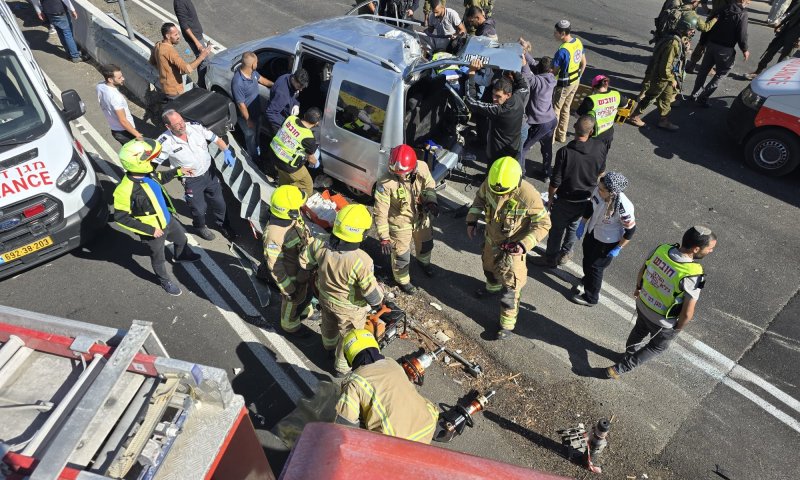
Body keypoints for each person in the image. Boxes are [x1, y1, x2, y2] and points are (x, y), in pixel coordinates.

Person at [607, 226, 717, 379]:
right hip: (661, 319)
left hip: (643, 303)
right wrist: (677, 329)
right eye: (710, 248)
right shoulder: (693, 273)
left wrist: (638, 288)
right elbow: (687, 312)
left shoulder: (662, 249)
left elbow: (643, 270)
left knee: (639, 330)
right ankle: (621, 367)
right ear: (696, 248)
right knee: (657, 346)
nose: (711, 251)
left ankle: (628, 354)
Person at [466, 157, 551, 340]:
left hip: (512, 251)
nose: (498, 195)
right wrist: (471, 220)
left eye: (503, 192)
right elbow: (479, 199)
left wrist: (524, 244)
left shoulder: (528, 195)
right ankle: (491, 289)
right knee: (488, 270)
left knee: (510, 289)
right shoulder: (492, 182)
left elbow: (543, 224)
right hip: (491, 243)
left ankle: (506, 325)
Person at [300, 205, 385, 376]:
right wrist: (380, 294)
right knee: (349, 337)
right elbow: (373, 296)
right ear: (361, 233)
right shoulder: (362, 261)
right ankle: (341, 368)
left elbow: (305, 262)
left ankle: (328, 347)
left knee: (328, 324)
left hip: (325, 298)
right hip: (350, 310)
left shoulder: (320, 243)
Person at [113, 139, 201, 296]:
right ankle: (164, 280)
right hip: (154, 231)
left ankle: (181, 256)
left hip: (168, 220)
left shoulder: (149, 174)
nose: (151, 160)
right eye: (148, 159)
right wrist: (149, 230)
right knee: (158, 258)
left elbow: (162, 177)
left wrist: (178, 171)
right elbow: (121, 217)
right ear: (138, 163)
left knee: (181, 240)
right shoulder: (124, 190)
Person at [335, 329, 439, 444]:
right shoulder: (392, 364)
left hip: (397, 442)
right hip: (428, 425)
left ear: (349, 357)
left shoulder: (354, 382)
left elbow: (345, 424)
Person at [531, 115, 606, 268]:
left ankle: (550, 258)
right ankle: (566, 252)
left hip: (565, 199)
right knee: (574, 225)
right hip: (586, 198)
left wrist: (551, 197)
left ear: (574, 128)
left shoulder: (565, 152)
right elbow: (601, 172)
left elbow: (556, 181)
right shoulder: (600, 147)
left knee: (557, 229)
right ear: (591, 132)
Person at [156, 110, 237, 241]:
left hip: (209, 173)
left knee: (220, 203)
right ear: (168, 127)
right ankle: (200, 226)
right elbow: (151, 164)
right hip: (191, 180)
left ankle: (223, 225)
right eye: (177, 124)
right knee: (198, 209)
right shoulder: (164, 142)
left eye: (182, 121)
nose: (182, 126)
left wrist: (226, 150)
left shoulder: (195, 127)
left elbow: (215, 138)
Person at [374, 145, 438, 294]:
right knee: (401, 255)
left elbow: (429, 183)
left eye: (403, 173)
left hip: (421, 216)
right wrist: (384, 237)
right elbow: (380, 211)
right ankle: (402, 280)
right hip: (400, 221)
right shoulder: (385, 183)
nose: (400, 176)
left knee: (426, 243)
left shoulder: (421, 167)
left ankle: (424, 262)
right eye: (396, 173)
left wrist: (431, 201)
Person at [571, 172, 636, 306]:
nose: (598, 191)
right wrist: (582, 223)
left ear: (612, 192)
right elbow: (590, 205)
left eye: (602, 190)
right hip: (593, 231)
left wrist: (619, 247)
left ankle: (591, 297)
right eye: (599, 187)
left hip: (607, 240)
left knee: (596, 267)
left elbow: (630, 230)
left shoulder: (624, 207)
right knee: (587, 258)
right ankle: (587, 279)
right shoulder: (599, 190)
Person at [628, 13, 697, 131]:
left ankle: (663, 120)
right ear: (685, 27)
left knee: (666, 97)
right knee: (651, 96)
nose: (692, 32)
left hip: (668, 76)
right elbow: (665, 67)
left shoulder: (676, 37)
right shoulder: (673, 44)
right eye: (691, 30)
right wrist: (672, 79)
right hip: (662, 76)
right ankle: (634, 116)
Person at [263, 185, 316, 335]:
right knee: (292, 302)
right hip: (291, 277)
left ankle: (305, 310)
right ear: (289, 211)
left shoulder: (292, 216)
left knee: (304, 294)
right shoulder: (274, 234)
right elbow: (275, 266)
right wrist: (288, 290)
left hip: (303, 268)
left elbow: (304, 233)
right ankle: (289, 325)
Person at [465, 60, 529, 172]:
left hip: (497, 153)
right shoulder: (518, 97)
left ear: (508, 95)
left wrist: (471, 73)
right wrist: (512, 68)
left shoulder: (499, 110)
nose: (494, 99)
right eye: (493, 95)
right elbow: (523, 86)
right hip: (513, 148)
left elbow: (471, 101)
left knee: (494, 176)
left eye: (498, 96)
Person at [689, 0, 749, 108]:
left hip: (711, 45)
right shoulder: (742, 13)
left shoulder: (721, 9)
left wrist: (703, 42)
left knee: (703, 71)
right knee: (721, 74)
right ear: (745, 1)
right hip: (726, 50)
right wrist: (745, 49)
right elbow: (742, 34)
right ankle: (703, 98)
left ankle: (694, 94)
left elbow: (708, 26)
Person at [519, 56, 558, 181]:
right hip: (551, 120)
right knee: (547, 148)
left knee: (523, 147)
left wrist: (523, 59)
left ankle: (521, 173)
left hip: (540, 122)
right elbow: (534, 64)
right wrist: (526, 54)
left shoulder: (535, 81)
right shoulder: (552, 79)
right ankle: (546, 173)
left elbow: (527, 73)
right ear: (550, 70)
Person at [269, 108, 321, 198]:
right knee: (307, 186)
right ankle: (295, 204)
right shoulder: (308, 138)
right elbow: (311, 159)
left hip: (275, 155)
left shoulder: (291, 119)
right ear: (317, 123)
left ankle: (280, 196)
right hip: (289, 167)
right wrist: (316, 163)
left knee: (283, 179)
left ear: (304, 115)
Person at [232, 51, 274, 161]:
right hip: (247, 118)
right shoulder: (238, 82)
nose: (258, 64)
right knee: (250, 136)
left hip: (257, 112)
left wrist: (275, 85)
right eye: (256, 62)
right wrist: (248, 120)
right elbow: (241, 105)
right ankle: (254, 158)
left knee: (257, 133)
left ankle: (257, 146)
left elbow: (262, 80)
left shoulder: (252, 73)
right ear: (252, 65)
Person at [149, 23, 210, 99]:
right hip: (175, 91)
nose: (178, 36)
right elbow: (186, 69)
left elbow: (152, 62)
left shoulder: (158, 45)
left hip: (165, 88)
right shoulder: (169, 51)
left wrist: (166, 71)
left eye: (178, 33)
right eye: (175, 35)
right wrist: (202, 56)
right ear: (168, 36)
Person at [551, 20, 587, 144]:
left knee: (556, 110)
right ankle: (561, 136)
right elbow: (584, 63)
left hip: (564, 85)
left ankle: (551, 137)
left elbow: (554, 72)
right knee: (566, 109)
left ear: (563, 34)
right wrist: (578, 77)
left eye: (556, 32)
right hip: (575, 82)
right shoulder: (577, 42)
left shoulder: (562, 50)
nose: (554, 34)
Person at [745, 3, 800, 79]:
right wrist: (780, 24)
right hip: (786, 31)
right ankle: (757, 72)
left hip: (795, 38)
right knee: (771, 50)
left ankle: (775, 80)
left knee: (784, 59)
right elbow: (791, 13)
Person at [96, 64, 143, 145]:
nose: (123, 78)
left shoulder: (100, 86)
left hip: (115, 129)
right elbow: (123, 121)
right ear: (110, 79)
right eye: (119, 78)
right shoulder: (116, 98)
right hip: (125, 131)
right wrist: (137, 135)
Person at [576, 75, 620, 155]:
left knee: (590, 156)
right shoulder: (616, 94)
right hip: (608, 132)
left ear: (593, 87)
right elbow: (625, 105)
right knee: (602, 155)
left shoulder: (591, 99)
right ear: (606, 85)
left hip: (595, 134)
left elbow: (578, 114)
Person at [265, 69, 309, 135]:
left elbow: (292, 96)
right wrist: (287, 125)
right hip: (279, 124)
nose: (301, 89)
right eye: (299, 86)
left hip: (286, 113)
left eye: (302, 87)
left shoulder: (289, 77)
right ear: (294, 79)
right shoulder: (282, 93)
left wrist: (296, 104)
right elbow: (270, 112)